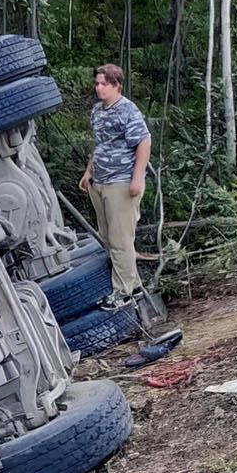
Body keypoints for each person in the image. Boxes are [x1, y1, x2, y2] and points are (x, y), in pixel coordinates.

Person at [79, 64, 150, 305]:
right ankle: (135, 284)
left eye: (104, 84)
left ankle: (123, 291)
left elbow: (143, 142)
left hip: (121, 180)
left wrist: (137, 178)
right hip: (101, 180)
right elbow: (100, 144)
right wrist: (89, 171)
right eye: (97, 83)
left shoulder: (128, 110)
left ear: (116, 85)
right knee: (109, 237)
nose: (99, 88)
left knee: (121, 239)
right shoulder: (98, 111)